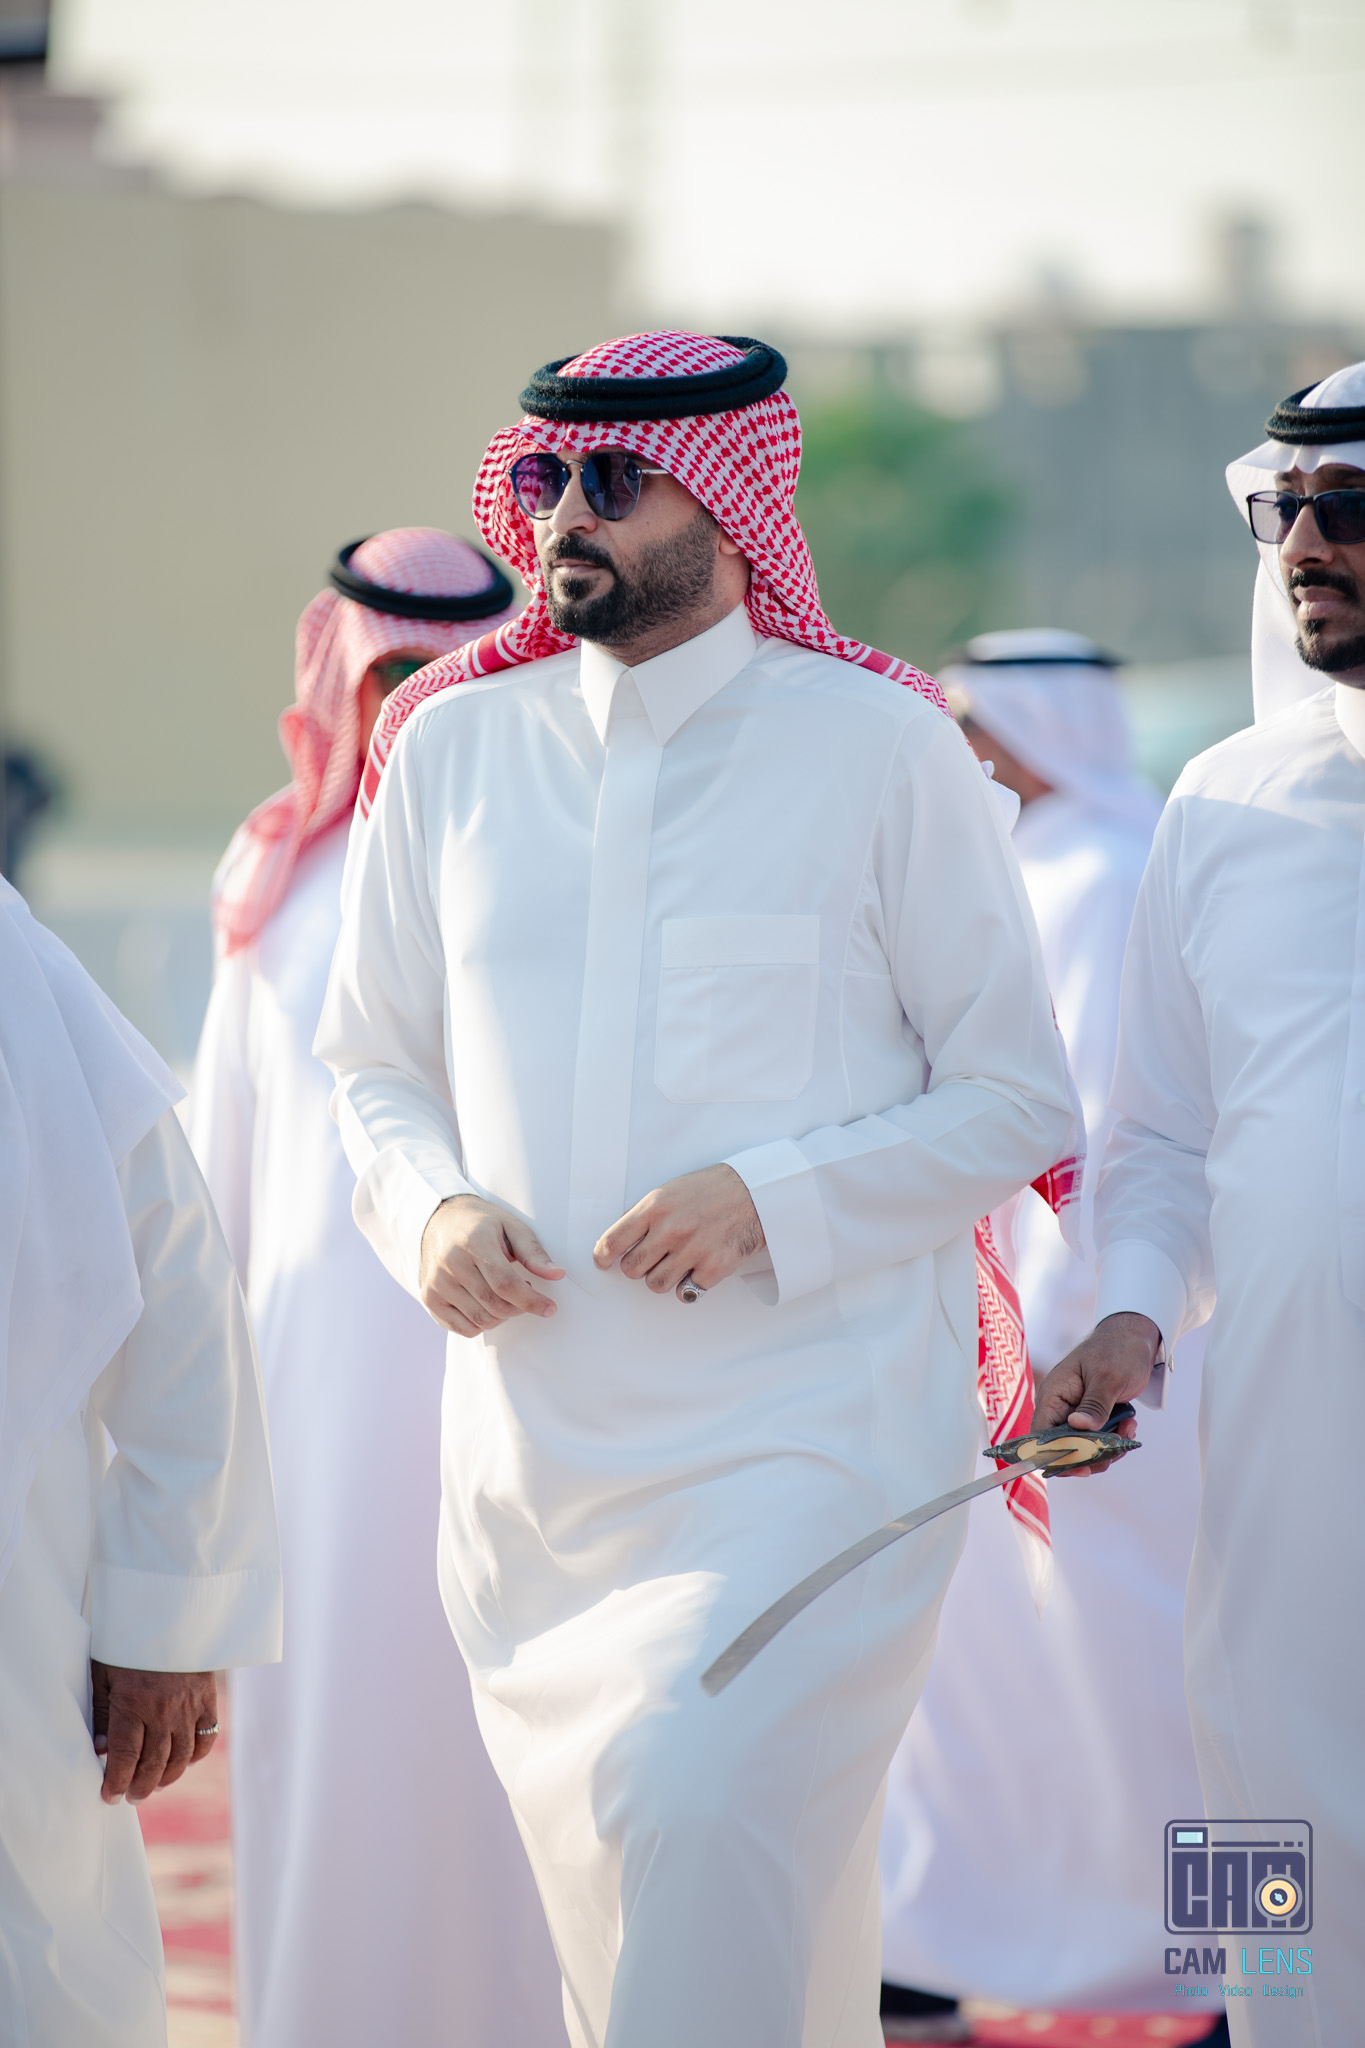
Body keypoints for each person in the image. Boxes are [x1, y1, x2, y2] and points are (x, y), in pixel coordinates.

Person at [315, 332, 1077, 2048]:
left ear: (735, 508)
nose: (559, 517)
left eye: (611, 480)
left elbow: (1019, 1098)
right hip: (537, 1470)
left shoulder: (882, 747)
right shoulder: (449, 750)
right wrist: (428, 1207)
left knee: (693, 1799)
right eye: (542, 479)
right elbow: (369, 1064)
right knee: (661, 1917)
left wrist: (769, 1194)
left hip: (807, 1446)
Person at [191, 528, 566, 2048]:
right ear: (340, 678)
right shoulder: (272, 872)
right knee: (334, 1722)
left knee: (506, 1720)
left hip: (507, 1354)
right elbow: (221, 1160)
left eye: (442, 671)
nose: (414, 701)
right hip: (314, 1385)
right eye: (389, 674)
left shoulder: (548, 849)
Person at [1033, 363, 1365, 2047]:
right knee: (1254, 1768)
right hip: (1290, 1440)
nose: (1304, 544)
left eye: (1347, 508)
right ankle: (1262, 2016)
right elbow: (1158, 1134)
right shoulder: (1225, 803)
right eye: (1280, 509)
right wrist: (1128, 1311)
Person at [879, 632, 1210, 2031]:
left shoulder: (1101, 876)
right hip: (1020, 1347)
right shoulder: (1031, 869)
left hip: (1097, 1363)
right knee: (986, 1677)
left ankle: (1229, 1968)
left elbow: (1105, 1144)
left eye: (977, 715)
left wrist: (1067, 1355)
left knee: (1161, 1684)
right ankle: (938, 1942)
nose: (959, 742)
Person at [0, 874, 281, 2048]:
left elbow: (179, 1300)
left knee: (38, 1947)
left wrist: (164, 1618)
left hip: (14, 1593)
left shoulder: (18, 973)